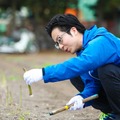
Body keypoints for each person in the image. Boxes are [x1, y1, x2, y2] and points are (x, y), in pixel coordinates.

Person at [23, 14, 120, 120]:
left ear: (73, 30)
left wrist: (43, 72)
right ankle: (112, 113)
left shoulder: (101, 41)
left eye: (60, 40)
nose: (60, 46)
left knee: (107, 70)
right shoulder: (83, 51)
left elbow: (82, 63)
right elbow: (93, 84)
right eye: (57, 44)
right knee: (76, 76)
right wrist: (82, 97)